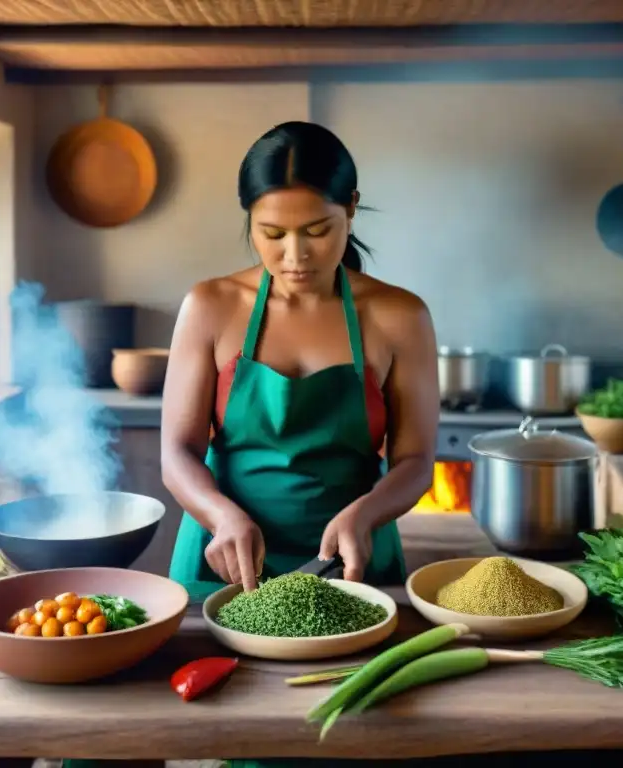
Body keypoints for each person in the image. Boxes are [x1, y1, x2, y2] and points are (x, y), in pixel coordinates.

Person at [159, 121, 440, 767]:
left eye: (318, 231)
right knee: (217, 736)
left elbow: (415, 459)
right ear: (248, 220)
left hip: (353, 563)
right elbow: (176, 450)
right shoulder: (211, 305)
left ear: (352, 207)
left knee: (347, 736)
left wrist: (367, 513)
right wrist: (221, 515)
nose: (295, 256)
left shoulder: (400, 316)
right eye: (271, 233)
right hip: (220, 557)